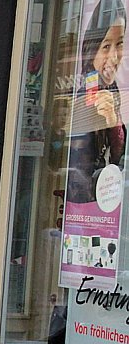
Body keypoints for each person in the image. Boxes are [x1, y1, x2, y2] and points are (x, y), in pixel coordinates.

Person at [67, 2, 127, 203]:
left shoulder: (112, 90)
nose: (113, 56)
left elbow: (118, 160)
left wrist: (113, 120)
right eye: (106, 46)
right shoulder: (84, 93)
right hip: (85, 204)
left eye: (119, 44)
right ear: (93, 48)